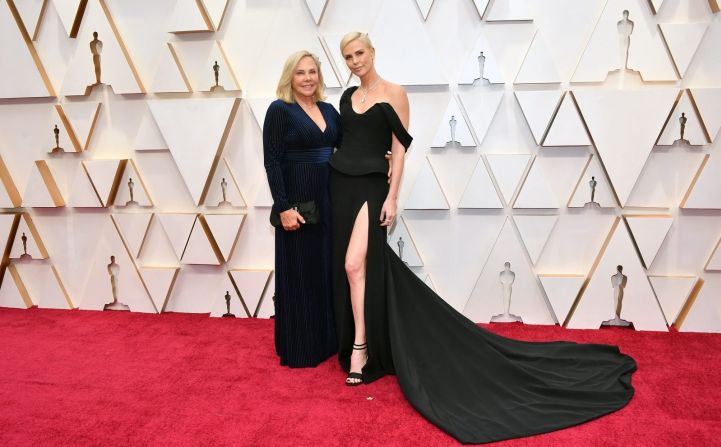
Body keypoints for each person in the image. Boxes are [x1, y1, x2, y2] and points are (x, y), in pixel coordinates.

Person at [329, 32, 637, 444]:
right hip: (340, 186)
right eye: (348, 56)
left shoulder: (395, 93)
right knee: (355, 270)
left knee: (355, 266)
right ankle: (360, 341)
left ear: (373, 52)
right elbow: (343, 141)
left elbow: (399, 151)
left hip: (370, 187)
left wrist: (393, 196)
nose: (355, 61)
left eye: (360, 53)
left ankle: (361, 349)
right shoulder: (346, 98)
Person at [263, 51, 339, 368]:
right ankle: (301, 347)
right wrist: (283, 208)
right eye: (300, 73)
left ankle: (327, 342)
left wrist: (385, 157)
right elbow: (272, 161)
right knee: (299, 273)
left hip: (330, 202)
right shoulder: (280, 110)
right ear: (289, 78)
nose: (308, 78)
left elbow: (349, 150)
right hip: (298, 205)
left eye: (312, 72)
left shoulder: (330, 110)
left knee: (325, 271)